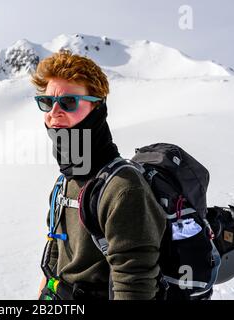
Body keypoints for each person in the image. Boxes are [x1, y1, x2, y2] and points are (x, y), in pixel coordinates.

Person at [31, 50, 166, 300]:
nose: (54, 112)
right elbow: (54, 259)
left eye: (68, 102)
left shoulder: (124, 189)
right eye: (47, 103)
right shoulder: (65, 182)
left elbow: (134, 286)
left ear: (97, 106)